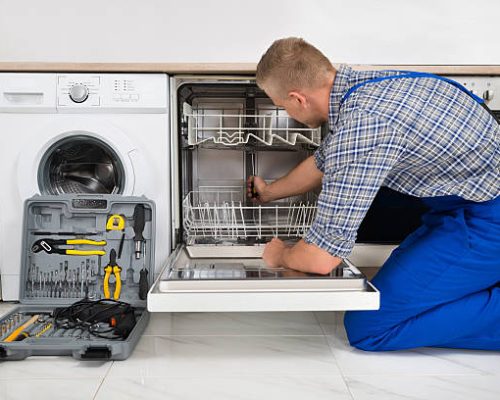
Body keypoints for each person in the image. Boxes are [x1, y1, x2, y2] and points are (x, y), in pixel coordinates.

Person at [248, 37, 500, 351]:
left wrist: (280, 255)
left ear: (298, 99)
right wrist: (270, 192)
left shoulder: (363, 126)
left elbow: (321, 258)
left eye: (281, 105)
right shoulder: (368, 87)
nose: (285, 111)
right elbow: (324, 162)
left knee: (369, 328)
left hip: (488, 220)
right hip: (464, 208)